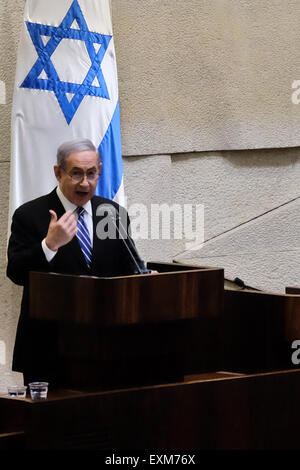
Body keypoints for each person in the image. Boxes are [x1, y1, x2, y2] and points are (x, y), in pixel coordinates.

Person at [7, 138, 147, 385]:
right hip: (48, 352)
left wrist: (145, 278)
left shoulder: (111, 214)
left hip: (106, 349)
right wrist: (49, 245)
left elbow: (130, 268)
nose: (85, 183)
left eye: (92, 174)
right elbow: (16, 273)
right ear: (58, 173)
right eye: (76, 174)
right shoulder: (30, 215)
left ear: (100, 171)